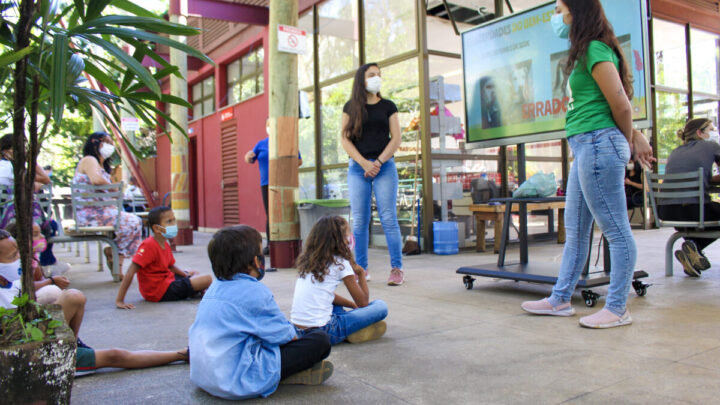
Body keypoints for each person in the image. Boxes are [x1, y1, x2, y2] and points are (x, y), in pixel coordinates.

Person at [521, 0, 655, 329]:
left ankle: (618, 307)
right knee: (578, 232)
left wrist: (626, 140)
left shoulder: (595, 48)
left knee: (617, 233)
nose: (555, 17)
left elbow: (621, 105)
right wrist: (630, 137)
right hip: (587, 146)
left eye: (558, 10)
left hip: (598, 144)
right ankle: (560, 299)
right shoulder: (588, 51)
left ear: (575, 11)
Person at [188, 225, 333, 400]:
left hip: (203, 376)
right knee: (319, 339)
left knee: (263, 334)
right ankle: (282, 376)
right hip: (237, 381)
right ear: (255, 261)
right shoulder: (255, 292)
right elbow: (288, 336)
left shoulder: (214, 289)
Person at [341, 63, 405, 286]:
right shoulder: (351, 107)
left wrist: (377, 162)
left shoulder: (388, 106)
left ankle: (397, 269)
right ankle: (361, 269)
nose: (376, 78)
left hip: (384, 166)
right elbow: (344, 139)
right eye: (371, 75)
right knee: (359, 220)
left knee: (388, 217)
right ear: (362, 79)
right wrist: (363, 163)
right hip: (358, 168)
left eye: (379, 75)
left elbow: (396, 138)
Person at [291, 216, 388, 345]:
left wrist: (352, 306)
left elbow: (324, 294)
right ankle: (349, 332)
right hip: (325, 331)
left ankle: (351, 327)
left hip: (298, 330)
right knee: (381, 306)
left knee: (335, 306)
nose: (350, 236)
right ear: (340, 239)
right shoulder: (340, 262)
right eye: (348, 232)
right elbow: (363, 303)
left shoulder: (308, 261)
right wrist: (360, 273)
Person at [73, 132, 142, 280]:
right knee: (133, 222)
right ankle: (114, 256)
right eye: (107, 142)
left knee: (133, 222)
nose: (110, 146)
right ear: (95, 142)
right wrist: (113, 187)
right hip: (92, 213)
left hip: (103, 211)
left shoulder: (102, 166)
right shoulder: (89, 160)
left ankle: (116, 260)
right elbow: (96, 180)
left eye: (112, 143)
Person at [658, 118, 720, 277]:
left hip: (666, 212)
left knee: (700, 214)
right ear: (700, 132)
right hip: (693, 210)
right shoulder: (711, 145)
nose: (714, 133)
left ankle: (692, 253)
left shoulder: (675, 151)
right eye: (711, 129)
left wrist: (705, 178)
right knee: (708, 211)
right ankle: (695, 247)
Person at [115, 206, 212, 308]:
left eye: (174, 220)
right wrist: (120, 300)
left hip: (167, 280)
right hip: (159, 291)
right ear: (156, 228)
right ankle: (200, 290)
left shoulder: (164, 243)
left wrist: (185, 275)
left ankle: (198, 289)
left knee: (193, 272)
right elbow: (131, 271)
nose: (174, 224)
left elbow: (171, 266)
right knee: (207, 279)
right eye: (169, 222)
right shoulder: (148, 245)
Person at [0, 229, 86, 340]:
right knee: (72, 297)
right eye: (12, 256)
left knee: (74, 296)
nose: (18, 259)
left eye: (18, 253)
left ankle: (74, 344)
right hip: (23, 340)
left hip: (29, 331)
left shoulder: (14, 281)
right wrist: (50, 281)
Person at [244, 118, 302, 257]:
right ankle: (270, 244)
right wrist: (248, 156)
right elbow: (249, 159)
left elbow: (299, 161)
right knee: (270, 214)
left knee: (286, 212)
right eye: (268, 125)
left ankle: (292, 243)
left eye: (273, 125)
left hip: (285, 184)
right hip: (266, 184)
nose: (271, 128)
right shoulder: (261, 144)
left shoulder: (287, 142)